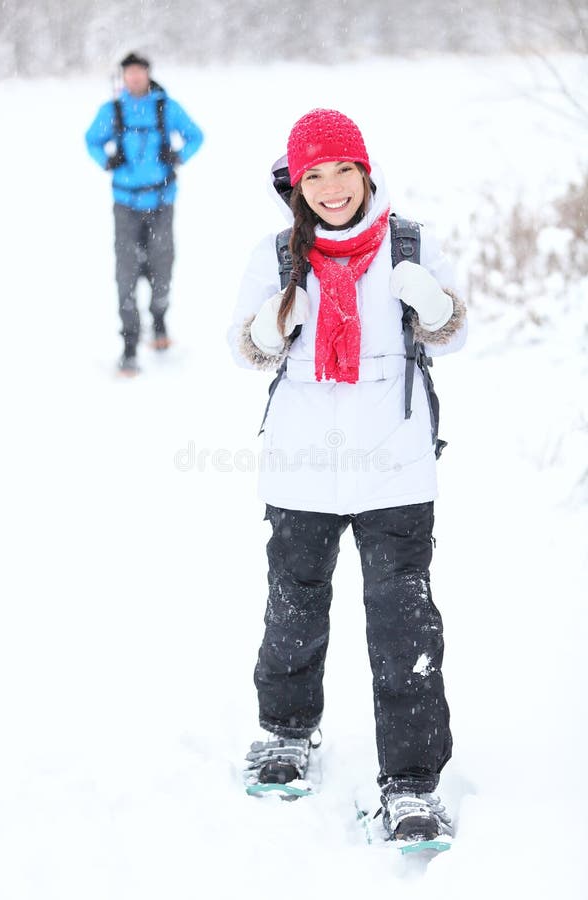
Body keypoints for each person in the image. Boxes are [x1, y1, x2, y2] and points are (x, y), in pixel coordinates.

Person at [228, 109, 467, 843]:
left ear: (366, 172)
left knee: (405, 630)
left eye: (343, 171)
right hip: (301, 468)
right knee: (292, 612)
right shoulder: (276, 256)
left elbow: (454, 331)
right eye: (314, 177)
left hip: (394, 467)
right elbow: (244, 349)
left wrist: (434, 307)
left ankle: (412, 784)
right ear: (296, 186)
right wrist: (275, 323)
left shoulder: (414, 243)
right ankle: (286, 735)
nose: (332, 189)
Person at [85, 52, 204, 375]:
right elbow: (91, 140)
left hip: (162, 202)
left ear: (148, 73)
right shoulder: (113, 111)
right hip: (125, 205)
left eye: (139, 71)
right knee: (126, 271)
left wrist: (177, 155)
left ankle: (159, 319)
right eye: (129, 72)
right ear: (123, 77)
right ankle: (129, 342)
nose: (134, 77)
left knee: (161, 267)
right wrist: (107, 160)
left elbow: (196, 136)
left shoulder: (167, 107)